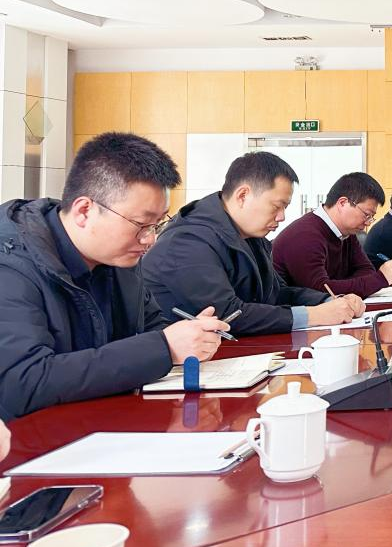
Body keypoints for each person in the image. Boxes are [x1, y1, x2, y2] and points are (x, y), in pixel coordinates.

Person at [0, 133, 226, 421]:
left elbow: (150, 327)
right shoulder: (11, 265)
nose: (150, 239)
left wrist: (189, 336)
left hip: (103, 423)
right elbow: (23, 383)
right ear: (84, 211)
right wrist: (164, 347)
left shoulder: (119, 257)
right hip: (29, 439)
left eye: (157, 224)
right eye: (141, 224)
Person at [143, 152, 363, 335]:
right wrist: (313, 316)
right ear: (243, 196)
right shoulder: (187, 242)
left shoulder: (250, 237)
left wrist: (328, 301)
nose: (282, 217)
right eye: (276, 206)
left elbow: (276, 293)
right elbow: (228, 314)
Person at [271, 172, 392, 299]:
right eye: (366, 215)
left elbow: (366, 270)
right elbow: (321, 291)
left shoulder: (347, 232)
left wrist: (341, 286)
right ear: (342, 203)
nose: (367, 223)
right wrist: (380, 278)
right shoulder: (304, 235)